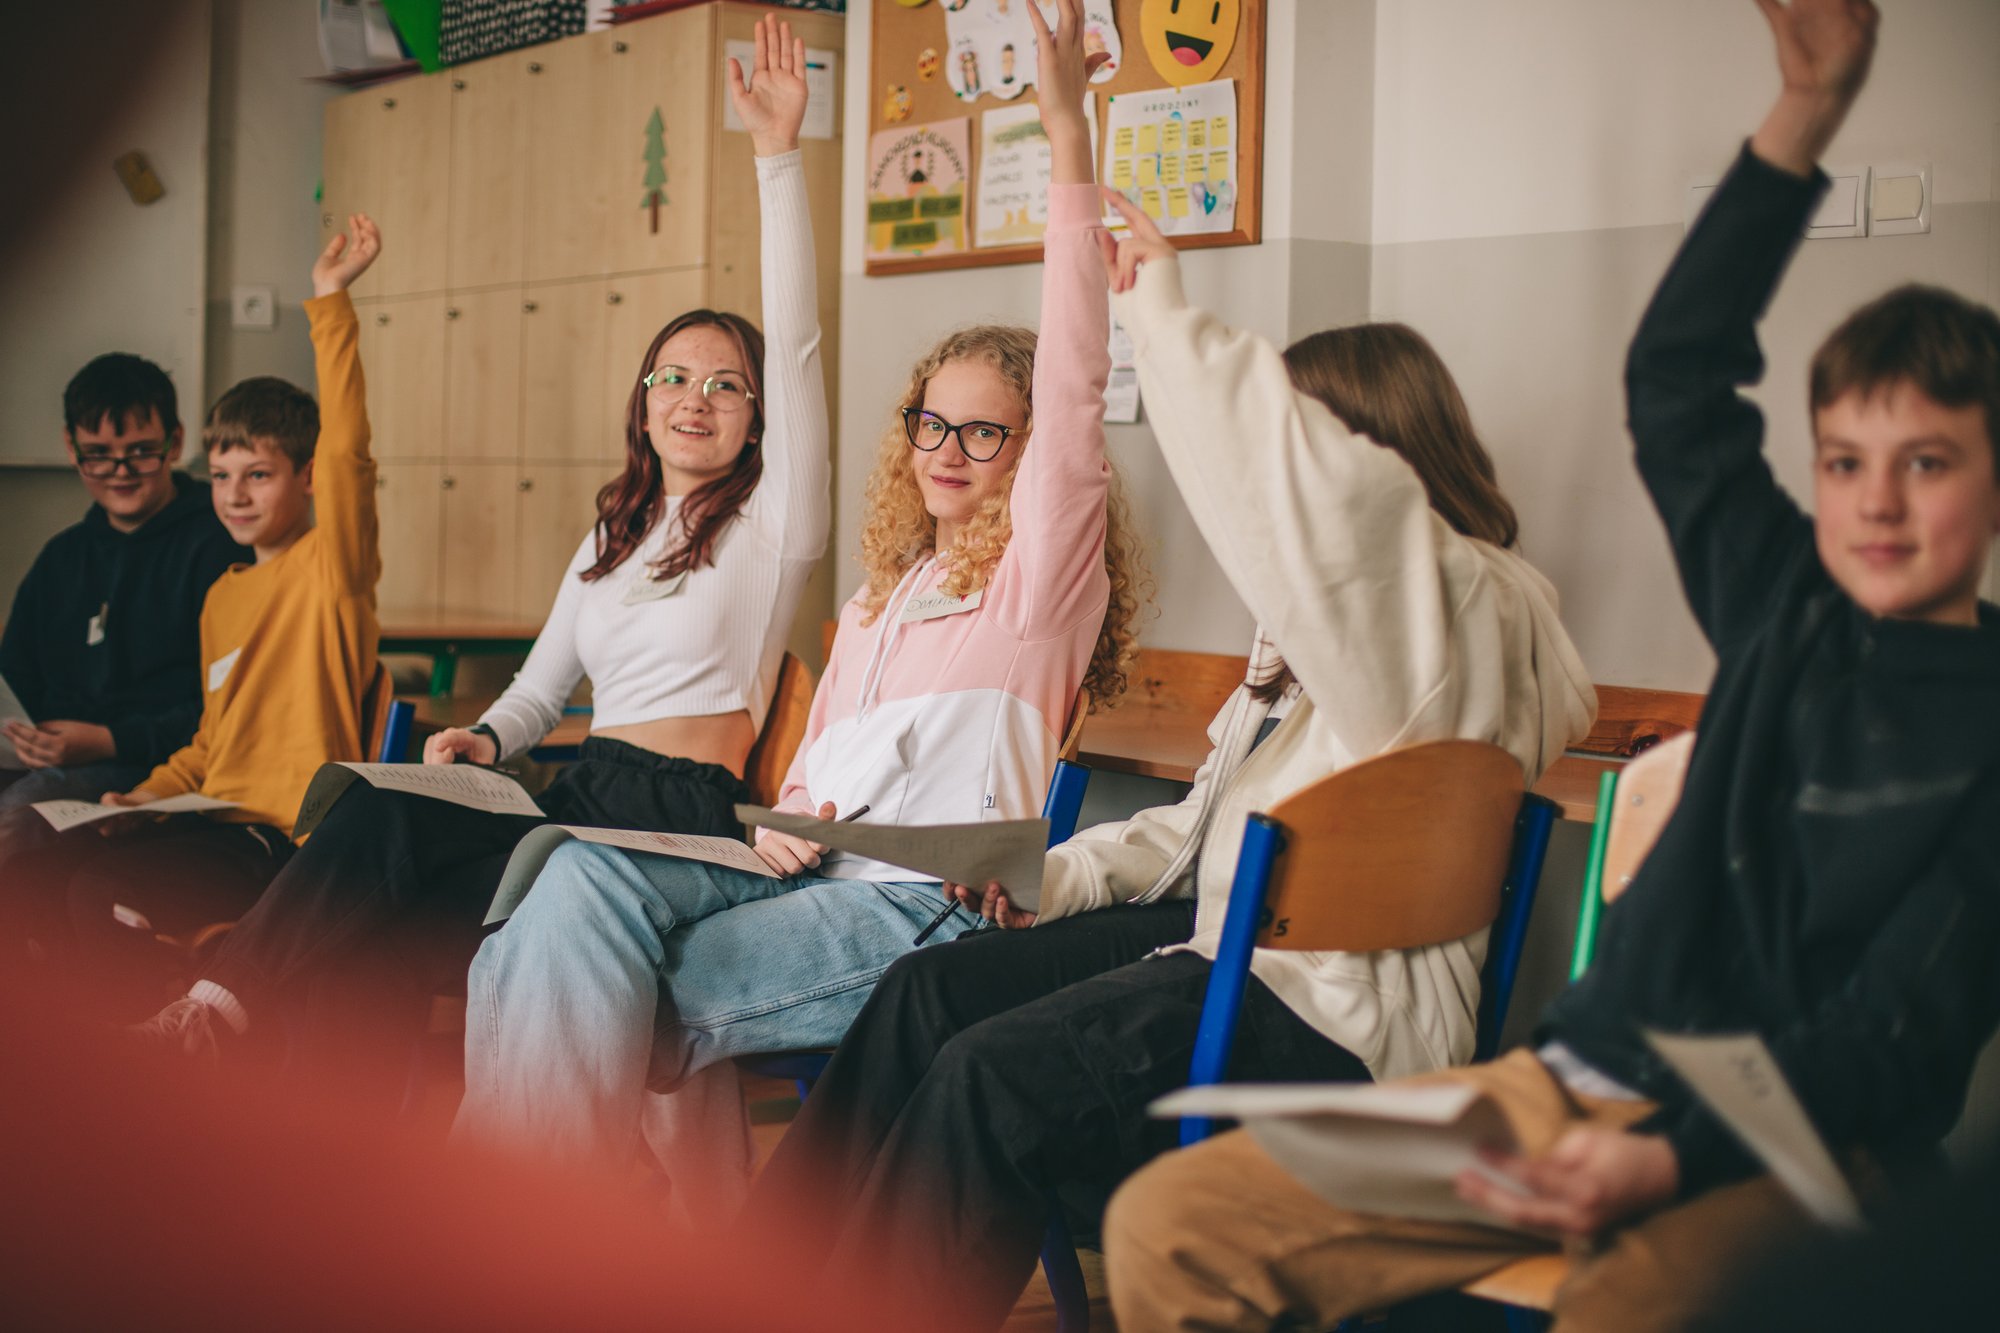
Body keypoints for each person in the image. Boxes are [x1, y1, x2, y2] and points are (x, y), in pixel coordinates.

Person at [1105, 4, 2000, 1330]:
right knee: (1173, 1221)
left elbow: (1892, 1034)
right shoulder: (1782, 603)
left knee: (1630, 1304)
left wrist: (1665, 1156)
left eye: (1925, 464)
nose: (1877, 505)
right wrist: (1802, 114)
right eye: (1846, 465)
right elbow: (1678, 380)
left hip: (1796, 1142)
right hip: (1569, 1088)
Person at [740, 108, 1596, 1333]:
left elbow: (1349, 547)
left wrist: (1168, 322)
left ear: (1373, 470)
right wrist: (1045, 873)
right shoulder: (1324, 640)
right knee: (927, 996)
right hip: (1217, 940)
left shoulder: (1458, 615)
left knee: (989, 1076)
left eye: (1308, 457)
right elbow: (1198, 833)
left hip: (1321, 1014)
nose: (1283, 501)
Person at [451, 0, 1145, 1223]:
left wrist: (1065, 139)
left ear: (1028, 453)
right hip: (796, 868)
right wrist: (803, 810)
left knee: (559, 967)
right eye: (931, 421)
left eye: (986, 430)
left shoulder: (1035, 587)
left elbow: (1078, 381)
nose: (948, 448)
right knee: (562, 889)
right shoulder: (882, 597)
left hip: (918, 906)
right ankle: (548, 1238)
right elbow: (827, 768)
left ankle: (521, 1240)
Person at [129, 16, 833, 1077]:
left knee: (372, 907)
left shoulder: (773, 525)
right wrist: (486, 745)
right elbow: (538, 691)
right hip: (575, 795)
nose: (697, 398)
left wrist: (773, 154)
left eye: (727, 384)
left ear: (757, 416)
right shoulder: (612, 531)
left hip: (672, 823)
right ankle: (235, 1056)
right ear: (640, 406)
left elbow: (801, 343)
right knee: (371, 843)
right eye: (673, 379)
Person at [0, 212, 385, 1019]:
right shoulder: (225, 592)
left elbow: (349, 450)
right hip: (211, 815)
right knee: (70, 877)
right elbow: (212, 742)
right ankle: (136, 1044)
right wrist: (135, 799)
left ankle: (165, 1053)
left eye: (257, 476)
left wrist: (329, 305)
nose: (235, 496)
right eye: (220, 476)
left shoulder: (332, 571)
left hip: (280, 836)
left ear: (306, 479)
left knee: (96, 892)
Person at [0, 354, 245, 809]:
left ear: (175, 442)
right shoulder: (61, 556)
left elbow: (227, 707)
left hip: (150, 764)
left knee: (22, 812)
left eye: (140, 451)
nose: (120, 471)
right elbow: (15, 675)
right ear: (72, 449)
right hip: (51, 758)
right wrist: (30, 737)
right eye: (97, 455)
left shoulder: (220, 546)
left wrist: (108, 740)